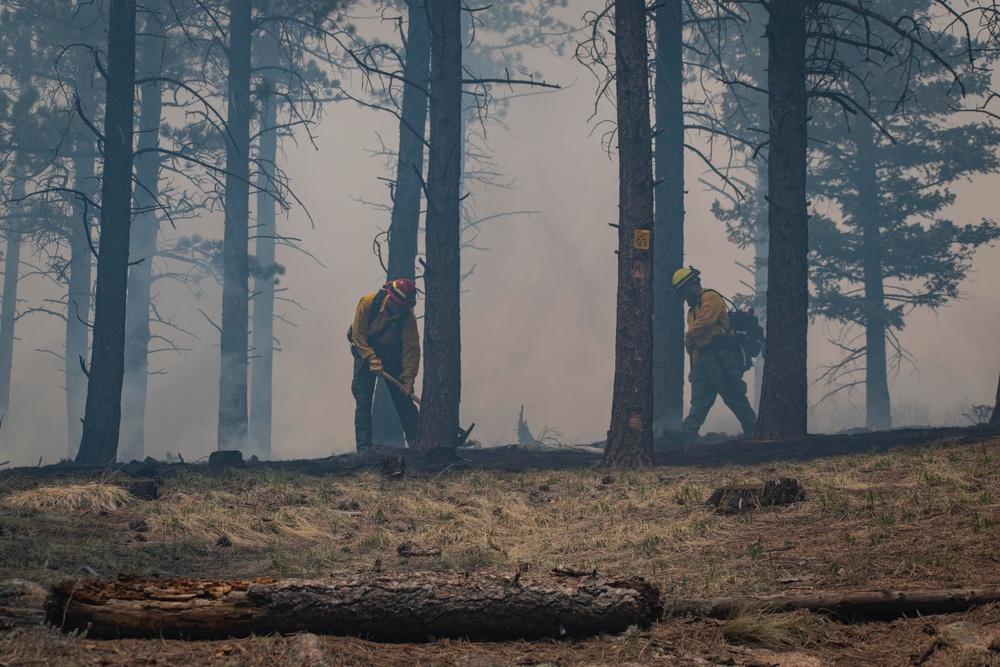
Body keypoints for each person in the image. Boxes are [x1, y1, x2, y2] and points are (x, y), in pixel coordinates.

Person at [672, 266, 757, 439]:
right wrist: (693, 369)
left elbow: (707, 321)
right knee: (699, 398)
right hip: (703, 359)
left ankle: (754, 430)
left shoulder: (710, 297)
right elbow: (694, 342)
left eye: (683, 292)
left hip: (720, 356)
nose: (683, 298)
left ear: (690, 286)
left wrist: (690, 335)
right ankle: (688, 432)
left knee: (733, 395)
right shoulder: (691, 311)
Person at [348, 278, 420, 452]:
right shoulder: (368, 303)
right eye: (400, 305)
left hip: (390, 352)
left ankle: (419, 443)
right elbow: (358, 335)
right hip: (364, 350)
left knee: (404, 398)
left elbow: (411, 348)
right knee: (363, 399)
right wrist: (372, 360)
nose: (402, 309)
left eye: (405, 306)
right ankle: (365, 448)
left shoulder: (407, 317)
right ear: (391, 298)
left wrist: (408, 380)